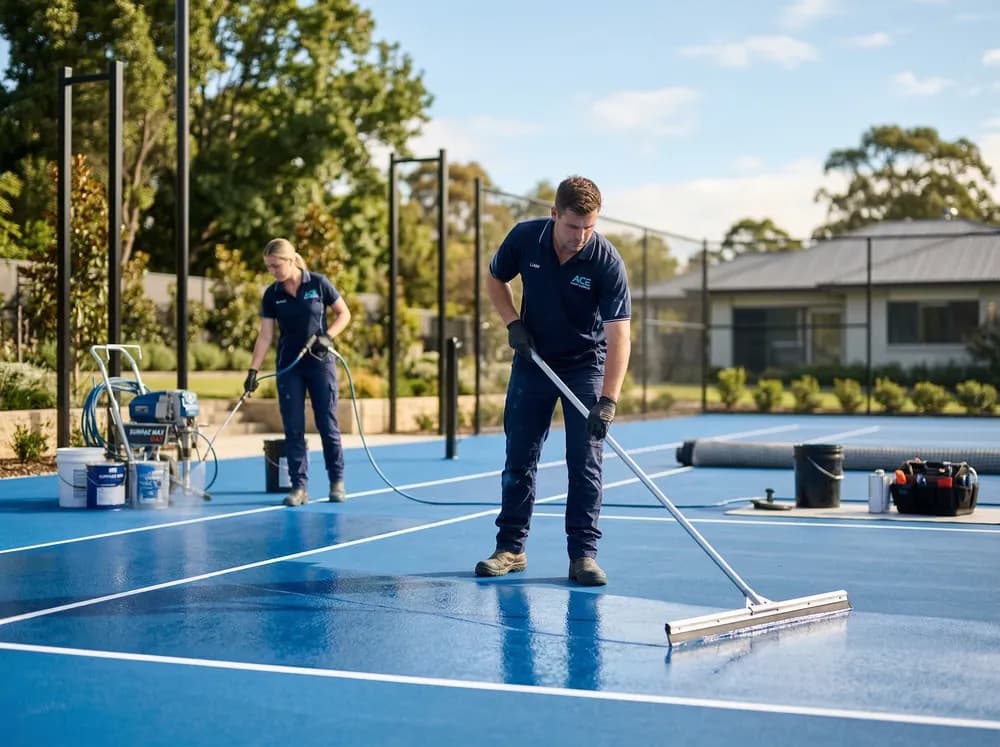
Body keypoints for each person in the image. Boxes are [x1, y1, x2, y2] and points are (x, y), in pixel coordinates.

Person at [475, 176, 631, 586]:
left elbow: (620, 336)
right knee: (519, 458)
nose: (580, 236)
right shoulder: (525, 239)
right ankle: (511, 548)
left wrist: (608, 401)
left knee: (585, 462)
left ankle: (583, 555)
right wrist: (513, 323)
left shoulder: (606, 261)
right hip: (534, 361)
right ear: (554, 215)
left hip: (584, 366)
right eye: (572, 226)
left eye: (589, 227)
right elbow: (495, 278)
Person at [244, 238, 352, 506]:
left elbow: (344, 314)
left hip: (319, 364)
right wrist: (253, 370)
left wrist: (328, 337)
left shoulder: (317, 283)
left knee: (327, 424)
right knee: (293, 428)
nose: (273, 272)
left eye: (275, 266)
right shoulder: (272, 294)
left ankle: (336, 481)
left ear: (290, 260)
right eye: (269, 267)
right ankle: (299, 487)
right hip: (289, 366)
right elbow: (265, 335)